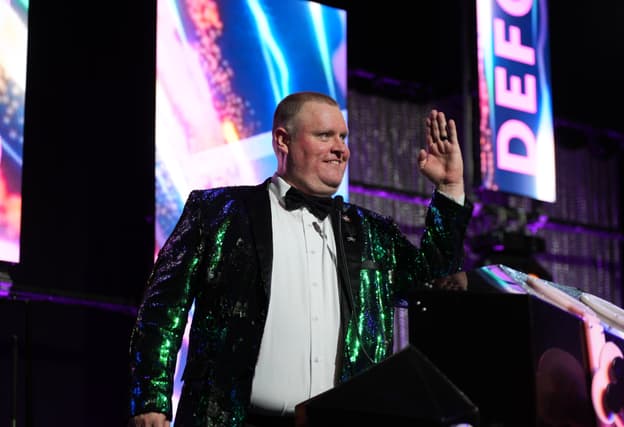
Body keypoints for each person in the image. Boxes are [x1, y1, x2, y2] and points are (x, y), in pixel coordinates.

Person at [128, 91, 473, 427]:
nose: (341, 148)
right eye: (325, 135)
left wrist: (449, 189)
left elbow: (435, 285)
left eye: (343, 136)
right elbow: (162, 308)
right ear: (282, 140)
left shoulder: (373, 232)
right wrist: (151, 397)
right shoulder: (217, 212)